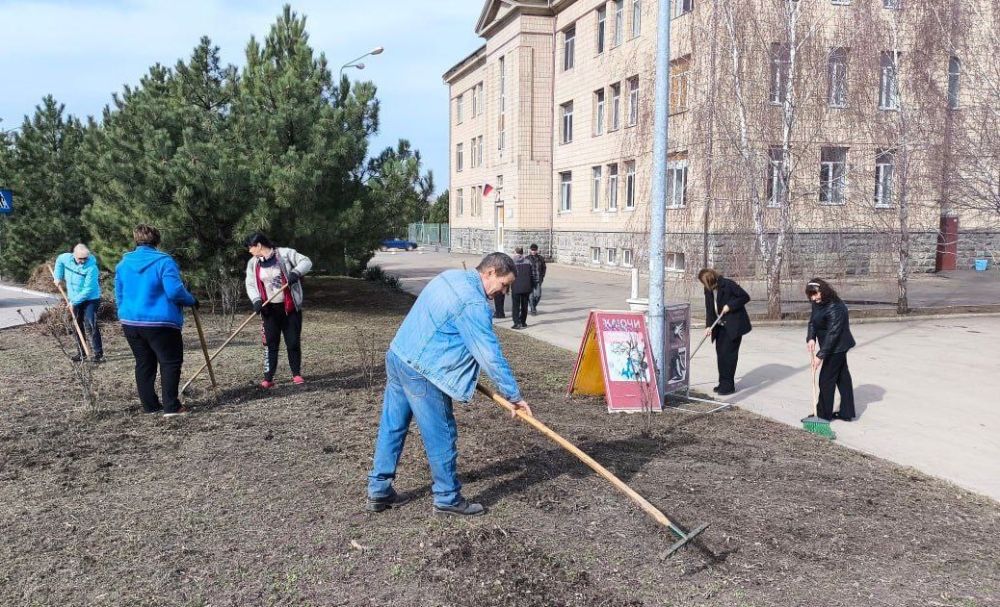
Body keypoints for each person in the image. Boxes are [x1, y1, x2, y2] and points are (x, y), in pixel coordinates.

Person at [367, 252, 533, 516]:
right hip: (424, 371)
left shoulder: (450, 277)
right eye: (504, 285)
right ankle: (447, 497)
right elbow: (489, 355)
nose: (504, 292)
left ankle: (379, 489)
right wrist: (513, 396)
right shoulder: (473, 303)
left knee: (392, 426)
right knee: (441, 434)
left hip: (399, 355)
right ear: (490, 272)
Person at [115, 224, 198, 416]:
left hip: (131, 322)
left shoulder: (123, 264)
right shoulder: (164, 262)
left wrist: (123, 312)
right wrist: (191, 300)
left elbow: (119, 293)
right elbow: (175, 291)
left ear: (136, 240)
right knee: (170, 362)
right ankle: (171, 406)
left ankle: (150, 406)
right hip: (160, 323)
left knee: (144, 363)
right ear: (157, 241)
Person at [244, 233, 313, 389]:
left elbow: (306, 262)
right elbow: (250, 284)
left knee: (293, 342)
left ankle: (296, 374)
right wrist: (256, 300)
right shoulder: (253, 263)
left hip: (290, 308)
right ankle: (268, 378)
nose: (249, 251)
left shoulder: (285, 254)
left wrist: (296, 273)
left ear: (259, 245)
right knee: (270, 344)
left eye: (250, 247)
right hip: (269, 310)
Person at [806, 278, 857, 421]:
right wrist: (811, 338)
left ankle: (822, 415)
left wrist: (820, 356)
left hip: (837, 347)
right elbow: (812, 322)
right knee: (842, 378)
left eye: (815, 294)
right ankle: (846, 413)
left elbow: (833, 334)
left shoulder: (836, 307)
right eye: (811, 295)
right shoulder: (818, 302)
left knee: (825, 380)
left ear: (823, 291)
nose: (813, 298)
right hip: (830, 345)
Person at [698, 268, 752, 395]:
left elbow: (745, 297)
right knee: (721, 355)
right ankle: (723, 383)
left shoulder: (728, 284)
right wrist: (708, 326)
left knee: (729, 356)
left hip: (733, 326)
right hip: (720, 326)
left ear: (711, 280)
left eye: (707, 283)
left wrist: (730, 306)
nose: (706, 286)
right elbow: (709, 309)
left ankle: (728, 386)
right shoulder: (708, 289)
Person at [53, 243, 104, 362]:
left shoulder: (92, 268)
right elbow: (59, 261)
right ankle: (81, 353)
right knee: (77, 324)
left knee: (90, 323)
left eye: (85, 258)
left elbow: (88, 289)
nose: (83, 261)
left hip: (91, 299)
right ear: (73, 255)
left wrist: (74, 302)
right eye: (80, 258)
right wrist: (57, 277)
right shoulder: (66, 258)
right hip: (74, 297)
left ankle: (98, 354)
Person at [510, 247, 534, 329]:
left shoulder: (512, 262)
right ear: (522, 253)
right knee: (524, 305)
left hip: (516, 286)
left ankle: (516, 323)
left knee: (515, 306)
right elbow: (532, 274)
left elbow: (509, 275)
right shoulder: (528, 261)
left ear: (515, 252)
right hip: (526, 286)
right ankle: (523, 322)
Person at [527, 243, 547, 315]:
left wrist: (542, 276)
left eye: (535, 250)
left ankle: (533, 306)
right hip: (530, 280)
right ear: (530, 250)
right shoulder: (527, 258)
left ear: (537, 250)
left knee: (538, 295)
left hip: (538, 279)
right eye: (532, 250)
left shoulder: (540, 258)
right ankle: (533, 309)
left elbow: (544, 268)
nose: (533, 251)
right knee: (531, 296)